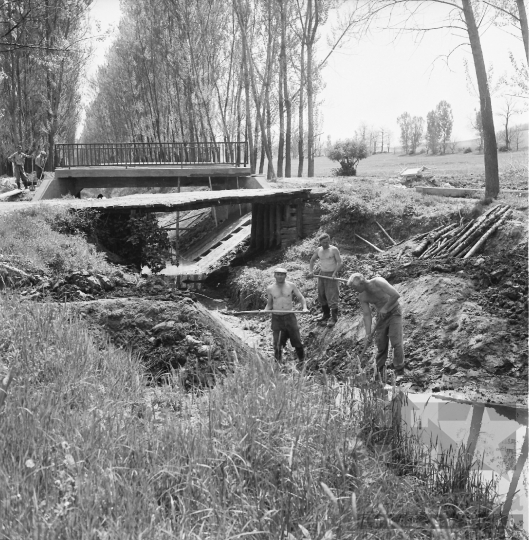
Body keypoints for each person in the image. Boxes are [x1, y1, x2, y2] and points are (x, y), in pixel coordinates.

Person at [347, 273, 405, 379]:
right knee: (381, 345)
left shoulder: (379, 282)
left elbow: (396, 295)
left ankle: (399, 369)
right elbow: (367, 314)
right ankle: (379, 372)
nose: (354, 290)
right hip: (381, 317)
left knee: (396, 342)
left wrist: (386, 308)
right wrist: (368, 333)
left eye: (355, 287)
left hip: (393, 312)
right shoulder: (362, 296)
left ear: (362, 282)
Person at [264, 267, 308, 362]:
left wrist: (304, 307)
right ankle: (278, 364)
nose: (280, 276)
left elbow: (301, 297)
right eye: (278, 274)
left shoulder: (291, 286)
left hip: (290, 317)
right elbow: (270, 303)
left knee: (297, 340)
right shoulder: (270, 288)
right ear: (274, 275)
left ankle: (302, 361)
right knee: (277, 343)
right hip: (277, 318)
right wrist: (265, 310)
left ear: (285, 275)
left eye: (282, 274)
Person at [308, 232, 342, 327]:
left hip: (332, 275)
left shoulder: (334, 250)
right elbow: (312, 260)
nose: (325, 244)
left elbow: (339, 262)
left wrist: (335, 273)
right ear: (320, 243)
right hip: (322, 275)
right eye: (323, 242)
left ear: (329, 241)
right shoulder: (319, 250)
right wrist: (311, 271)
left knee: (332, 295)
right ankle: (326, 315)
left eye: (327, 242)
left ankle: (334, 318)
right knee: (322, 294)